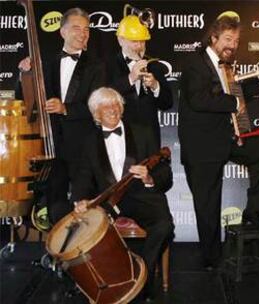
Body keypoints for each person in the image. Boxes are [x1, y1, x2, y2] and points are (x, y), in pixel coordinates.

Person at [178, 11, 259, 270]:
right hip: (200, 148)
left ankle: (253, 213)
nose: (233, 45)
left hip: (225, 139)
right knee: (208, 206)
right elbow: (198, 100)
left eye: (236, 40)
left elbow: (235, 93)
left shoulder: (226, 65)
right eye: (228, 39)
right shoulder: (194, 64)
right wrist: (233, 103)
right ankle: (211, 260)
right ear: (214, 38)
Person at [72, 87, 174, 301]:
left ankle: (140, 278)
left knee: (163, 225)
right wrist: (80, 199)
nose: (112, 110)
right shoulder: (88, 141)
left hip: (142, 197)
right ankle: (101, 285)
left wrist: (149, 178)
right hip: (108, 202)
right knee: (84, 233)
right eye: (106, 106)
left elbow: (164, 171)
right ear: (95, 114)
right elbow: (82, 176)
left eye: (116, 104)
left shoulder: (143, 131)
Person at [17, 8, 106, 224]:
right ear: (62, 31)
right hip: (51, 146)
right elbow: (25, 101)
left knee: (83, 206)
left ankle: (82, 255)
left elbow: (98, 108)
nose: (83, 33)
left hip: (83, 149)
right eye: (76, 28)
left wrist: (65, 108)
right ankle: (56, 253)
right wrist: (24, 75)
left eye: (86, 29)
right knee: (54, 204)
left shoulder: (97, 66)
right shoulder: (45, 63)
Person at [106, 14, 173, 147]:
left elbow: (167, 103)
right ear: (121, 40)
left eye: (142, 41)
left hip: (150, 142)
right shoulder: (107, 65)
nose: (139, 47)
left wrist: (156, 86)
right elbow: (102, 100)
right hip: (119, 140)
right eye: (134, 41)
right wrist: (130, 78)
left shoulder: (155, 66)